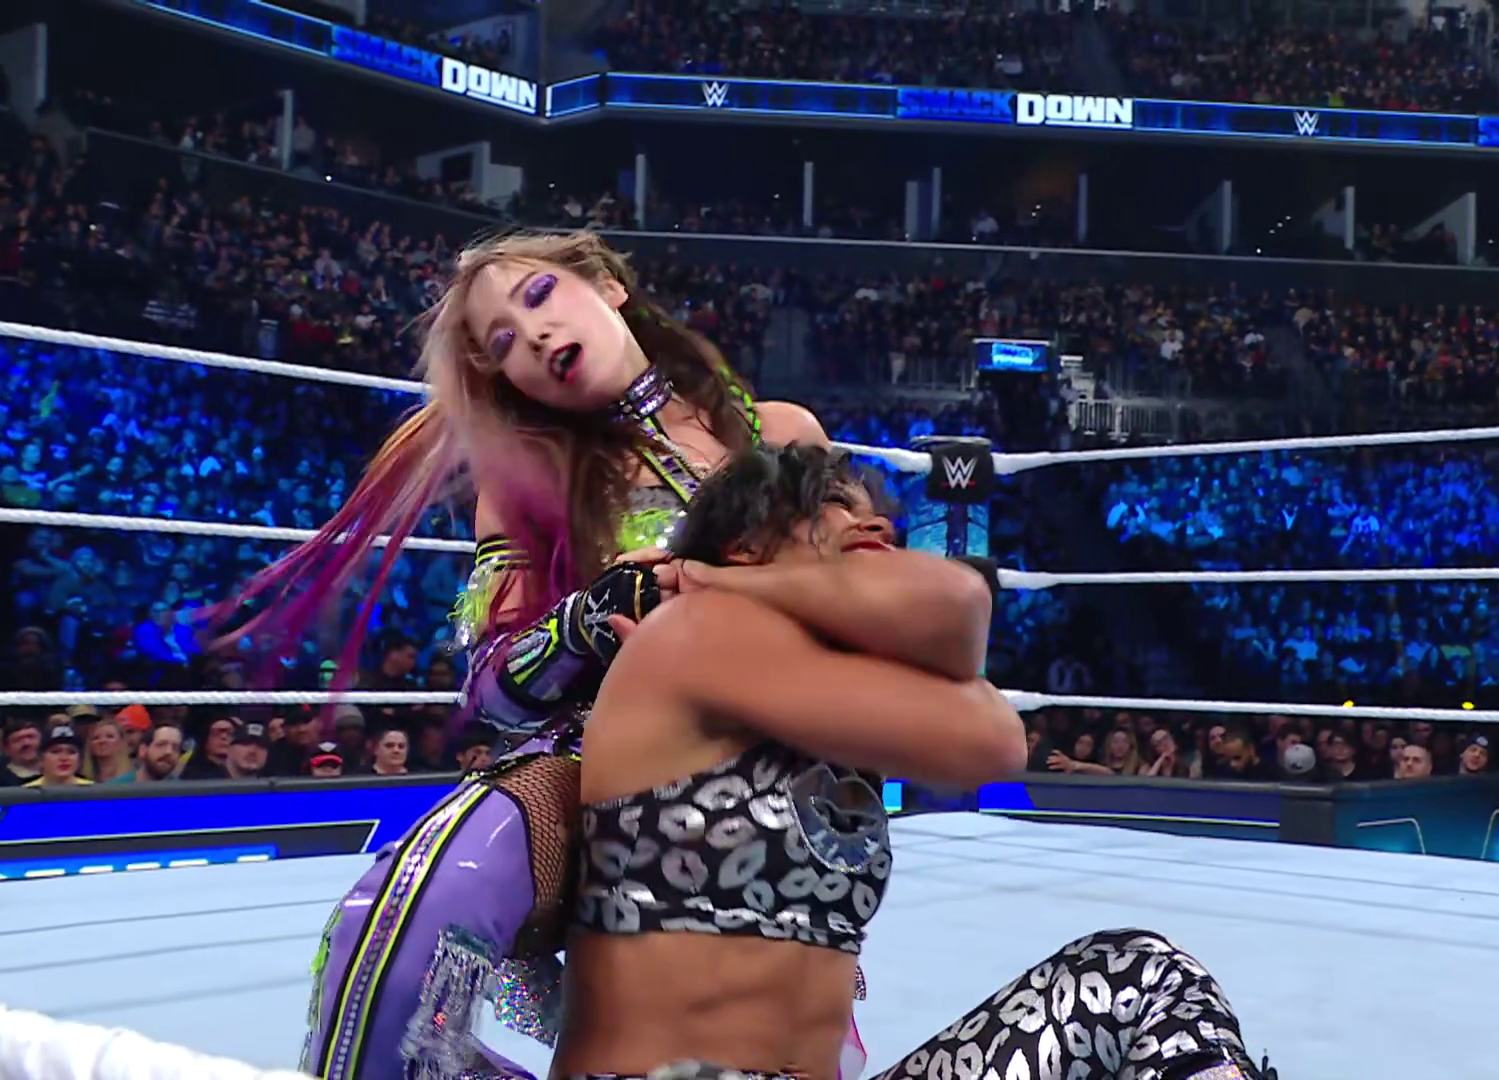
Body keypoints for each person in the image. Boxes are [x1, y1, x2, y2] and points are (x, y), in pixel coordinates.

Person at [251, 231, 985, 1080]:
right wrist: (593, 616)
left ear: (606, 286)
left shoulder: (782, 433)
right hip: (595, 758)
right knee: (399, 919)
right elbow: (490, 686)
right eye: (502, 343)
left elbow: (876, 609)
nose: (532, 336)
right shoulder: (525, 481)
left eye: (538, 296)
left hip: (778, 767)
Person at [560, 445, 1260, 1080]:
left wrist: (731, 580)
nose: (876, 525)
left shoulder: (814, 674)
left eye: (878, 516)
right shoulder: (698, 632)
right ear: (746, 544)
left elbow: (991, 720)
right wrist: (729, 589)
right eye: (834, 505)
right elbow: (964, 636)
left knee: (1142, 978)